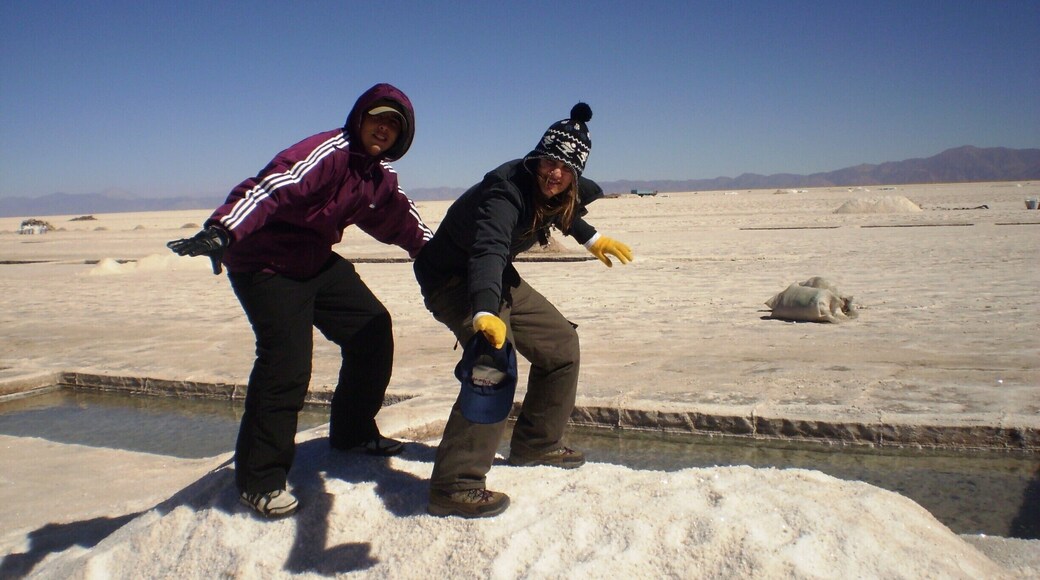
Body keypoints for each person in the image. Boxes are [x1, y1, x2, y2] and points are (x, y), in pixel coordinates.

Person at [167, 83, 432, 519]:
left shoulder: (377, 178)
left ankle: (352, 432)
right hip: (264, 265)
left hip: (314, 261)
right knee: (285, 364)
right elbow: (271, 187)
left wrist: (442, 256)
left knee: (371, 327)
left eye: (393, 125)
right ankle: (260, 481)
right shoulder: (327, 153)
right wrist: (222, 230)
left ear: (401, 137)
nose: (383, 129)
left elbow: (403, 221)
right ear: (360, 117)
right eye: (377, 118)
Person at [413, 103, 633, 518]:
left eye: (567, 168)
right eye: (551, 161)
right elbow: (489, 249)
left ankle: (537, 443)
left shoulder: (559, 187)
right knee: (493, 363)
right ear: (537, 157)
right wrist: (483, 311)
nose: (556, 174)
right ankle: (454, 485)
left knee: (561, 345)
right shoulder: (505, 192)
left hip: (495, 276)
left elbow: (562, 211)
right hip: (453, 279)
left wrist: (592, 238)